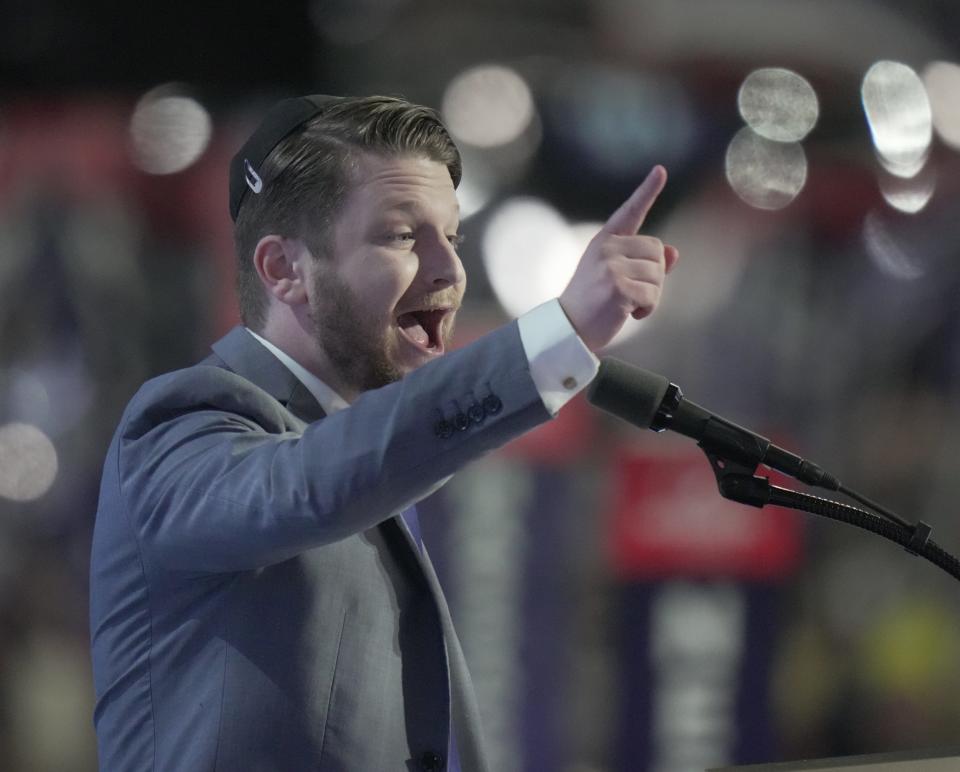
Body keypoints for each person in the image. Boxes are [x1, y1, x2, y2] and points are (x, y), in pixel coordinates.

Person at [89, 94, 679, 771]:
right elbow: (309, 485)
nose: (450, 271)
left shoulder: (361, 446)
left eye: (452, 237)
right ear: (285, 270)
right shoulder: (181, 423)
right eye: (403, 236)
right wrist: (554, 339)